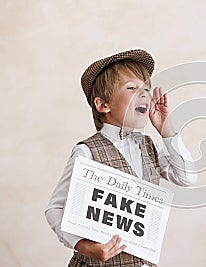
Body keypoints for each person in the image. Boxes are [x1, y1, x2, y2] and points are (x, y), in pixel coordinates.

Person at [45, 49, 197, 267]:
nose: (144, 94)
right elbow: (55, 209)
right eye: (132, 88)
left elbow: (187, 176)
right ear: (103, 105)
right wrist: (84, 246)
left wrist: (166, 129)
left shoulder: (149, 147)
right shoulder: (87, 152)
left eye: (146, 88)